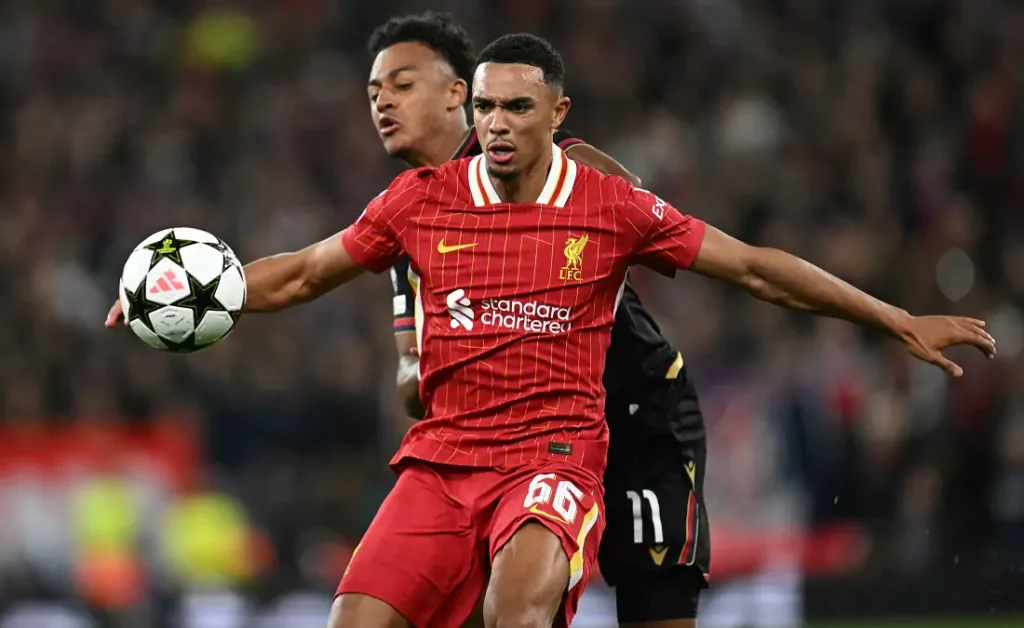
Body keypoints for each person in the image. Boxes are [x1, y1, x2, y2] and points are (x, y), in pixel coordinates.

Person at [105, 33, 996, 628]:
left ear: (557, 115)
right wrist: (182, 298)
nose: (498, 125)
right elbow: (302, 272)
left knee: (518, 611)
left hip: (555, 455)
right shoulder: (418, 202)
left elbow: (756, 267)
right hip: (445, 459)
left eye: (518, 109)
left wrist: (892, 317)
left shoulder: (609, 204)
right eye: (487, 110)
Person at [365, 13, 708, 626]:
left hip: (635, 415)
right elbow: (411, 377)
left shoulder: (543, 158)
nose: (383, 101)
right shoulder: (412, 219)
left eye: (402, 84)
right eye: (374, 91)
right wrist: (451, 358)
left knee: (653, 610)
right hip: (514, 447)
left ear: (457, 93)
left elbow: (630, 206)